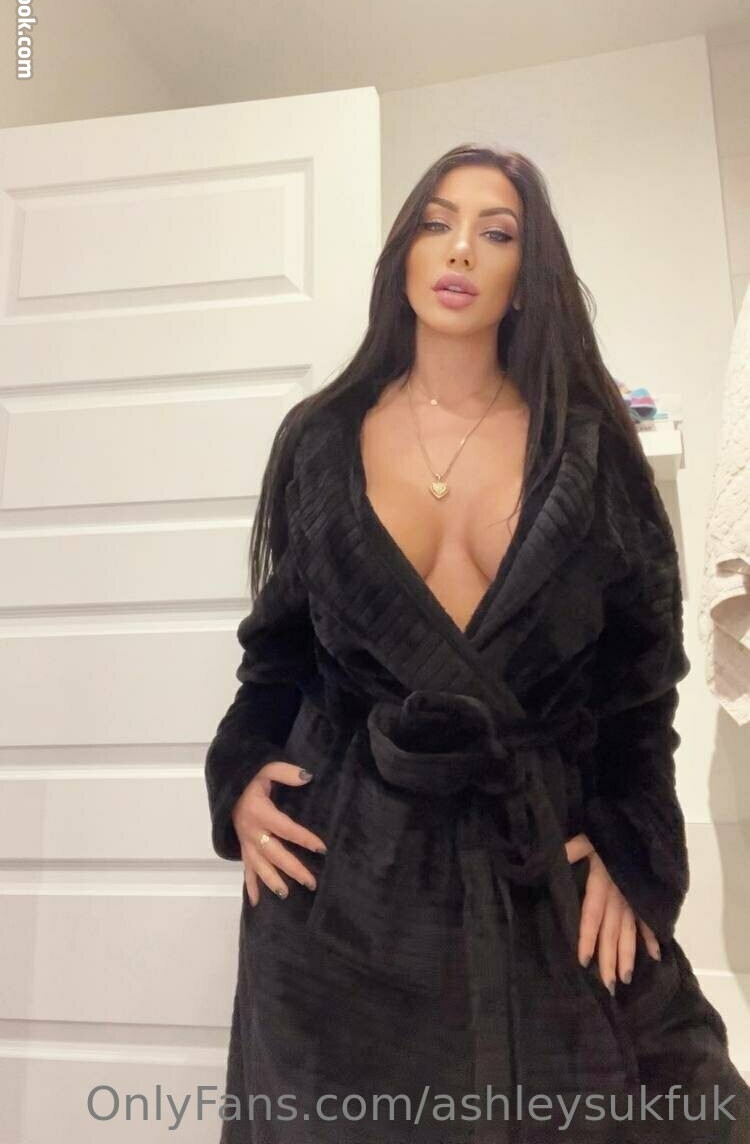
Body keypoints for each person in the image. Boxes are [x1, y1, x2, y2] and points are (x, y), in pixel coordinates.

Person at [204, 145, 750, 1144]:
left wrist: (634, 848)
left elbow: (639, 685)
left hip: (543, 867)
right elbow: (277, 656)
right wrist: (238, 775)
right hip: (340, 889)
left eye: (496, 232)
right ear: (404, 255)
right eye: (436, 222)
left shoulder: (589, 446)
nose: (460, 248)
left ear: (525, 275)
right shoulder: (320, 439)